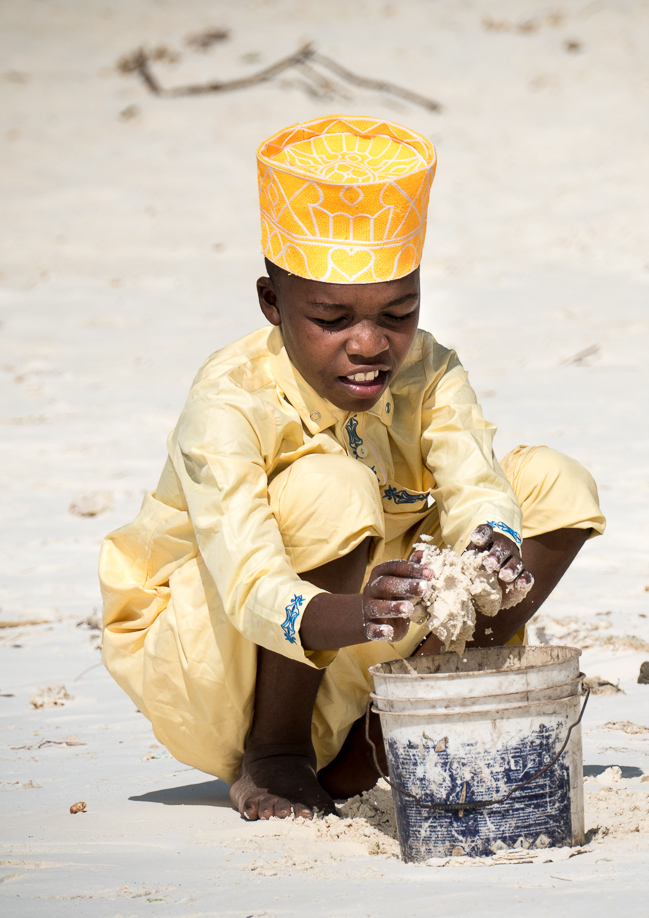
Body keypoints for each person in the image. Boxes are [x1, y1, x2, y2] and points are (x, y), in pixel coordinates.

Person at [98, 115, 605, 821]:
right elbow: (246, 579)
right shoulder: (229, 400)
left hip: (367, 647)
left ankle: (396, 731)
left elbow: (473, 479)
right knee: (332, 486)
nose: (370, 344)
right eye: (333, 319)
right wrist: (350, 613)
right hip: (215, 662)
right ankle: (277, 757)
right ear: (273, 304)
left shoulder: (430, 370)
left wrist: (494, 539)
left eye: (398, 312)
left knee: (554, 484)